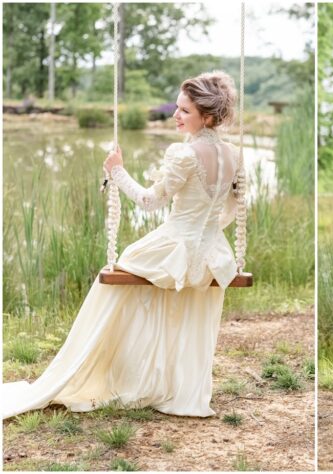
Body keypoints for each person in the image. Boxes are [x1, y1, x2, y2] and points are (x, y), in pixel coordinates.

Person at [1, 71, 245, 419]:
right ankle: (177, 389)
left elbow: (149, 202)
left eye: (184, 111)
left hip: (175, 245)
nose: (175, 115)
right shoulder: (234, 154)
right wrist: (207, 233)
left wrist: (117, 171)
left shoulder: (184, 154)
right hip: (214, 254)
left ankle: (113, 372)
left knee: (117, 280)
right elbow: (233, 208)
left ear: (206, 116)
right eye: (176, 108)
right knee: (187, 313)